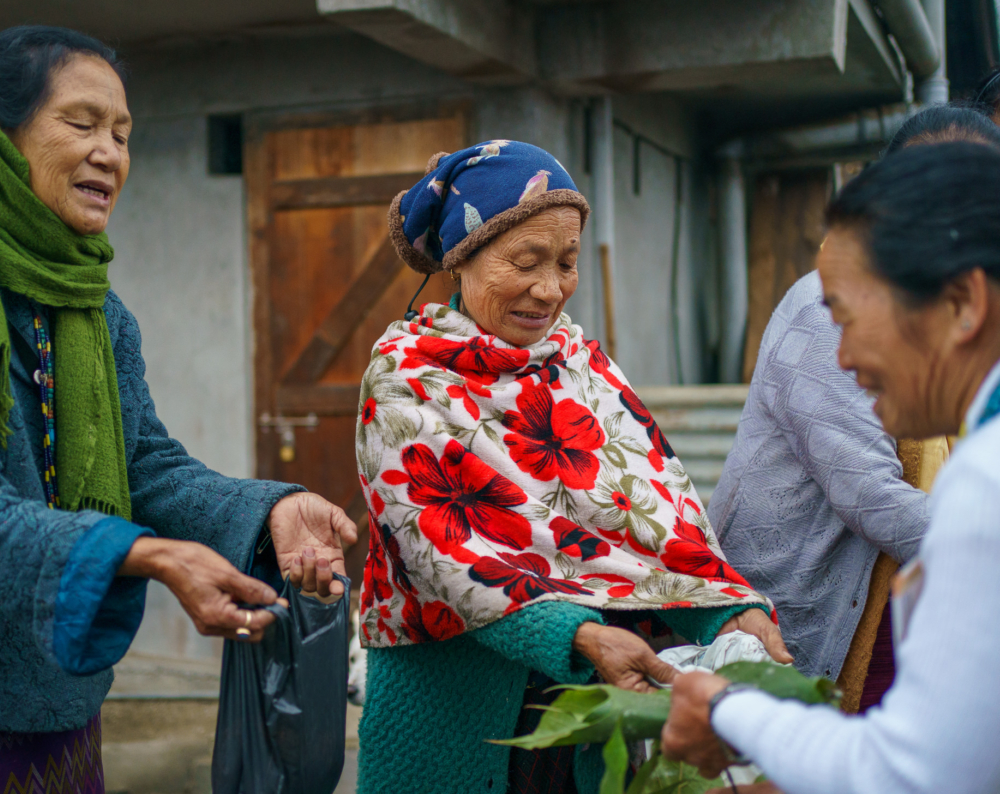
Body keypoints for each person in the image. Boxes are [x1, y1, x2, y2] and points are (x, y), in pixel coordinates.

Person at [0, 26, 355, 792]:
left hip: (54, 711)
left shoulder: (97, 312)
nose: (110, 153)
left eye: (123, 134)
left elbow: (145, 467)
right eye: (82, 123)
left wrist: (274, 511)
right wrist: (148, 555)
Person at [353, 140, 791, 794]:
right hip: (460, 702)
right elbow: (441, 555)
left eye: (566, 262)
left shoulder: (583, 370)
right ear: (461, 258)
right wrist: (579, 633)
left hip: (602, 700)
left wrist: (726, 611)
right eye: (525, 261)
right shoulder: (405, 383)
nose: (549, 289)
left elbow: (660, 519)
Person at [662, 141, 1000, 794]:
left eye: (846, 317)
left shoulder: (983, 484)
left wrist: (726, 710)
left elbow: (905, 773)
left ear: (961, 304)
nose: (838, 356)